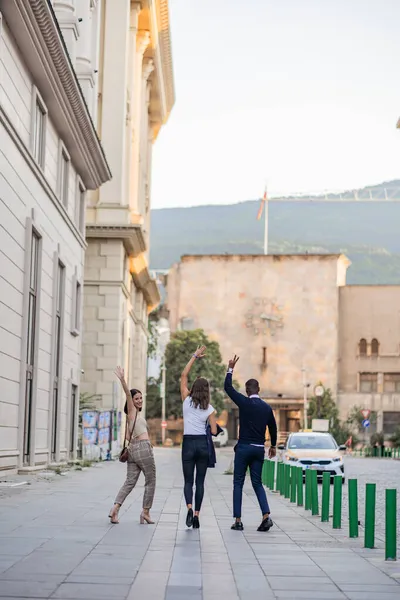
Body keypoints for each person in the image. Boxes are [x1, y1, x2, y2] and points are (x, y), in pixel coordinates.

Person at [224, 354, 277, 532]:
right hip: (259, 449)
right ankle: (266, 516)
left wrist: (230, 368)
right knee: (257, 483)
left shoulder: (244, 403)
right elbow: (274, 427)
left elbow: (228, 387)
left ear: (247, 391)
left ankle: (238, 521)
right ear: (259, 389)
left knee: (238, 483)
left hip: (244, 448)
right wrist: (274, 446)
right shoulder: (267, 408)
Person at [109, 366, 156, 525]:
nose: (139, 400)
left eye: (141, 398)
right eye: (137, 399)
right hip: (142, 448)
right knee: (151, 479)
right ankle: (146, 512)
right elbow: (128, 394)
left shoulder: (133, 417)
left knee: (130, 482)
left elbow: (129, 437)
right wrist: (123, 380)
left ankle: (115, 509)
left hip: (133, 450)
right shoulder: (132, 412)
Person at [180, 345, 218, 529]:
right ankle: (196, 515)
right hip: (202, 445)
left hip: (188, 443)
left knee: (188, 481)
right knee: (200, 482)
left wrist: (195, 356)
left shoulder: (186, 399)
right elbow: (213, 431)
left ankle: (188, 507)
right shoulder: (209, 408)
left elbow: (183, 375)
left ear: (194, 388)